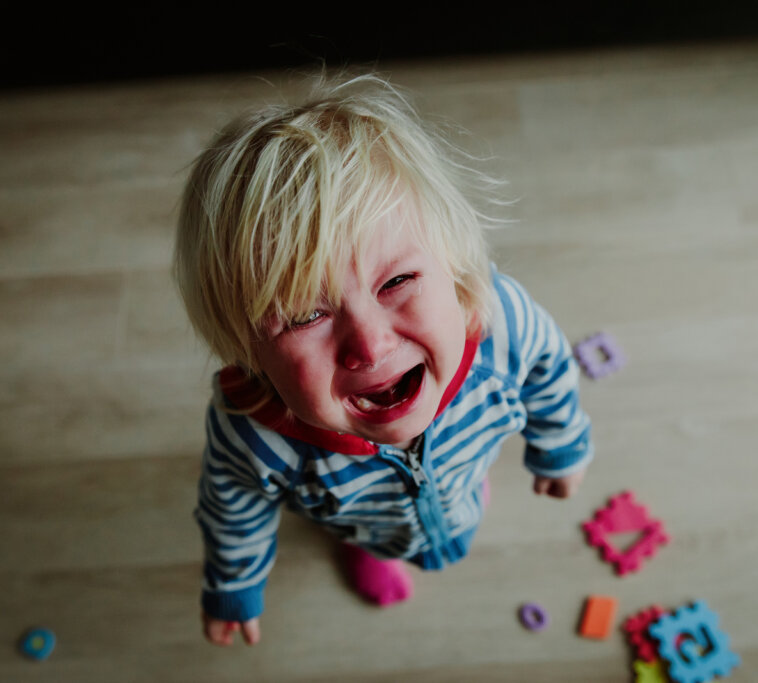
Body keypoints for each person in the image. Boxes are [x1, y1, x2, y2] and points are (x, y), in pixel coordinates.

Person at [173, 72, 593, 646]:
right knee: (366, 527)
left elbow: (550, 372)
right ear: (248, 351)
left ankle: (455, 497)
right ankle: (373, 547)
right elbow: (232, 506)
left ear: (454, 265)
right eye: (303, 317)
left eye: (396, 281)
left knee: (457, 489)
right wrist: (234, 582)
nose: (370, 344)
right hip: (363, 521)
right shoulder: (253, 435)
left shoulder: (501, 327)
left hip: (462, 467)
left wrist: (560, 444)